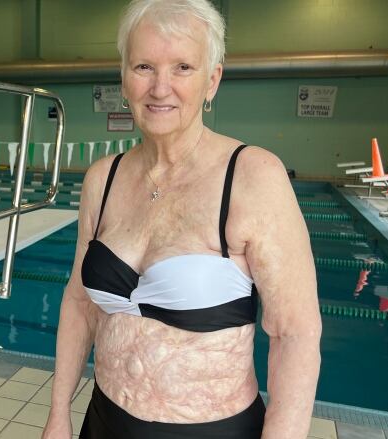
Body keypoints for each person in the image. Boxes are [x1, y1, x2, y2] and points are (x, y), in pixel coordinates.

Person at [42, 0, 322, 438]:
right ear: (124, 77)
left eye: (183, 68)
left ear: (212, 81)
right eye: (144, 67)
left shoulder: (252, 177)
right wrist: (59, 414)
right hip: (103, 421)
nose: (160, 88)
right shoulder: (104, 178)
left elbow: (295, 335)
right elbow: (80, 305)